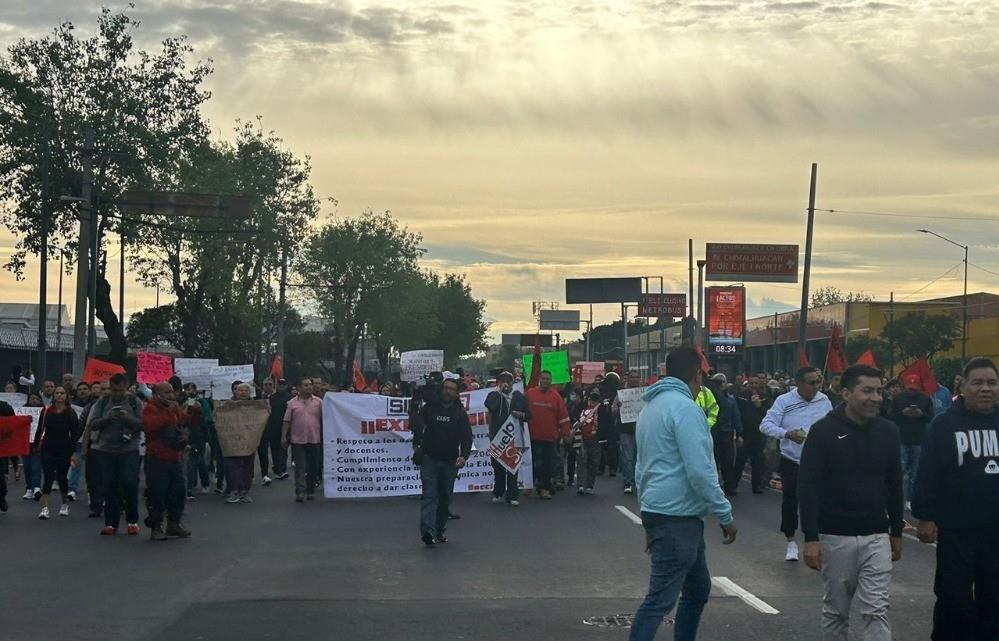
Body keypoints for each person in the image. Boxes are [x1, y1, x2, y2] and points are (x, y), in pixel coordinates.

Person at [630, 347, 737, 641]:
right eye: (702, 374)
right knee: (659, 602)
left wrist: (646, 513)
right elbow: (701, 471)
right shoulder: (687, 409)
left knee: (698, 589)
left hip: (664, 511)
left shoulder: (651, 407)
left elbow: (642, 468)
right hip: (677, 516)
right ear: (696, 374)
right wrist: (724, 514)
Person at [799, 365, 904, 641]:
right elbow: (808, 487)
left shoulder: (889, 431)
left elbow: (895, 484)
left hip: (877, 536)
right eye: (867, 391)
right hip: (835, 537)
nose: (876, 398)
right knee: (836, 612)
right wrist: (811, 537)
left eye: (879, 391)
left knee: (876, 609)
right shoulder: (822, 431)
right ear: (846, 393)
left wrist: (896, 532)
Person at [912, 357, 999, 641]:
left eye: (992, 383)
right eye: (978, 383)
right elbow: (928, 472)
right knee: (954, 598)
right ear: (963, 386)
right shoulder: (945, 424)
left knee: (994, 600)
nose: (986, 388)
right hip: (957, 530)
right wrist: (925, 516)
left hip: (996, 531)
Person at [760, 366, 833, 562]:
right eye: (811, 383)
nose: (816, 387)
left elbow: (832, 425)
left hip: (818, 460)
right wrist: (786, 434)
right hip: (792, 459)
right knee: (791, 500)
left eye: (818, 382)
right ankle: (791, 541)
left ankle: (815, 539)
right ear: (799, 384)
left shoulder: (824, 400)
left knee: (819, 501)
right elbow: (765, 425)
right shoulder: (784, 401)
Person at [411, 374, 472, 546]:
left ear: (456, 393)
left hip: (450, 462)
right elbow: (416, 426)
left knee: (445, 498)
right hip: (430, 459)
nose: (447, 391)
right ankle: (427, 532)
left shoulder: (459, 413)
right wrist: (414, 407)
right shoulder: (430, 408)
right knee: (430, 496)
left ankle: (439, 530)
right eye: (445, 388)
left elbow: (467, 437)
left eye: (451, 389)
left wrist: (464, 456)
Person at [81, 373, 144, 535]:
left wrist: (127, 417)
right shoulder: (102, 402)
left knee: (130, 483)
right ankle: (111, 523)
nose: (117, 394)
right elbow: (93, 424)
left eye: (120, 390)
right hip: (106, 449)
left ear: (126, 387)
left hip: (128, 448)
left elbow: (142, 424)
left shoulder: (134, 401)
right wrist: (108, 418)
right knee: (109, 485)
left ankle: (132, 520)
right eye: (114, 390)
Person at [142, 382, 192, 540]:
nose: (171, 396)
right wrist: (169, 413)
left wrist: (195, 410)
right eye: (167, 393)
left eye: (172, 392)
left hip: (174, 456)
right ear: (157, 395)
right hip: (157, 458)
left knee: (178, 492)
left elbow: (186, 420)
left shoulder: (175, 408)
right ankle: (156, 526)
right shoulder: (150, 408)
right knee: (157, 493)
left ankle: (174, 523)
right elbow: (151, 426)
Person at [889, 373, 934, 511]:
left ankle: (910, 499)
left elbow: (931, 418)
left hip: (918, 440)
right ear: (905, 386)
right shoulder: (898, 399)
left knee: (915, 472)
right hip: (902, 439)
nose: (912, 391)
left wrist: (921, 414)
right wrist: (903, 413)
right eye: (909, 388)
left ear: (919, 387)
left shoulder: (926, 399)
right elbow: (890, 417)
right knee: (900, 472)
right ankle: (897, 499)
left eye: (914, 388)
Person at [484, 371, 529, 506]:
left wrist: (521, 414)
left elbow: (529, 415)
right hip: (498, 437)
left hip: (514, 437)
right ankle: (498, 492)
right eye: (502, 381)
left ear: (512, 383)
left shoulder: (519, 397)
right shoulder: (493, 395)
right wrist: (500, 394)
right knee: (498, 467)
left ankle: (512, 496)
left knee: (512, 467)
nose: (506, 383)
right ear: (498, 383)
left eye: (508, 381)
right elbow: (491, 406)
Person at [34, 386, 80, 519]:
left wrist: (73, 452)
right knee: (48, 476)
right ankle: (45, 508)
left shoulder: (71, 413)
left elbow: (74, 435)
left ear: (66, 396)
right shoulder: (47, 410)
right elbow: (40, 429)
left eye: (62, 393)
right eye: (57, 393)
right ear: (54, 396)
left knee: (61, 477)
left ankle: (64, 504)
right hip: (48, 447)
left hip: (64, 448)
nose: (59, 395)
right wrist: (36, 445)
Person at [525, 371, 570, 500]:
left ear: (551, 381)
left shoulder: (556, 397)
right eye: (543, 378)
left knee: (547, 464)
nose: (545, 381)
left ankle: (544, 488)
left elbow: (563, 417)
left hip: (549, 438)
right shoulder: (529, 394)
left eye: (548, 379)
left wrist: (566, 433)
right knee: (531, 463)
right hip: (531, 437)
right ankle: (528, 485)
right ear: (539, 379)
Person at [281, 377, 323, 503]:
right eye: (306, 385)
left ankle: (310, 490)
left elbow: (325, 419)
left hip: (314, 439)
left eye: (310, 384)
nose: (309, 387)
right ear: (299, 388)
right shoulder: (292, 403)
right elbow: (287, 421)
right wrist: (283, 436)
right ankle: (300, 491)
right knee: (300, 467)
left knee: (313, 467)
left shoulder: (319, 402)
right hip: (298, 440)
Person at [708, 374, 743, 496]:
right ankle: (713, 487)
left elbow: (736, 416)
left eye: (722, 382)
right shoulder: (708, 398)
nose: (720, 385)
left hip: (726, 433)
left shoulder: (730, 399)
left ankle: (729, 486)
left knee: (728, 461)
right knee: (713, 461)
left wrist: (739, 434)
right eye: (717, 382)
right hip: (712, 432)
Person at [223, 383, 258, 504]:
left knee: (248, 467)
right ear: (235, 392)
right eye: (240, 390)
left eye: (246, 390)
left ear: (250, 393)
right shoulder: (227, 405)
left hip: (249, 441)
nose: (243, 392)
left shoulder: (256, 406)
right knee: (233, 466)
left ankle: (245, 491)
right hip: (233, 440)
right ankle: (234, 490)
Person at [735, 379, 771, 494]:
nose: (753, 386)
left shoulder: (765, 397)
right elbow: (737, 414)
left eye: (756, 383)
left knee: (758, 462)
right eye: (751, 383)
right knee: (740, 460)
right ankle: (732, 485)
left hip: (758, 435)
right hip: (745, 433)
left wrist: (759, 406)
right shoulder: (741, 396)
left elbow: (768, 415)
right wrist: (738, 433)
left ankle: (757, 486)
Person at [615, 370, 643, 494]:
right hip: (626, 429)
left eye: (636, 377)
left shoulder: (644, 394)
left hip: (641, 428)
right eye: (632, 377)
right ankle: (628, 482)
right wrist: (619, 407)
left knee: (639, 457)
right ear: (628, 379)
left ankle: (638, 480)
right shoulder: (621, 394)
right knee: (627, 457)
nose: (634, 379)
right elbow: (613, 411)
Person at [181, 383, 210, 498]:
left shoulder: (202, 403)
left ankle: (205, 482)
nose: (190, 391)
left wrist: (206, 438)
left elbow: (204, 422)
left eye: (192, 389)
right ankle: (189, 487)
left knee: (200, 462)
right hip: (188, 437)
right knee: (190, 463)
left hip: (198, 438)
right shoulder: (182, 403)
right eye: (187, 389)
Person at [572, 391, 602, 495]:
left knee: (593, 463)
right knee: (581, 461)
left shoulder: (601, 409)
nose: (592, 402)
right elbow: (574, 416)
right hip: (582, 437)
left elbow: (606, 422)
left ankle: (589, 485)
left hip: (596, 438)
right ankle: (580, 485)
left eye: (594, 400)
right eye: (591, 399)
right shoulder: (581, 406)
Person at [263, 378, 292, 483]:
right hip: (273, 427)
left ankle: (282, 470)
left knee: (284, 449)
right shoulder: (271, 398)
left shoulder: (290, 398)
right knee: (275, 450)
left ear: (286, 385)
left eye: (283, 384)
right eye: (280, 384)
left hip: (286, 427)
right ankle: (277, 469)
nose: (281, 386)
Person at [21, 392, 44, 501]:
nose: (34, 401)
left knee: (36, 466)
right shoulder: (22, 411)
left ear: (40, 400)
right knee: (26, 466)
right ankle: (29, 488)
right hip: (25, 443)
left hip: (38, 442)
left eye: (36, 399)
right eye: (32, 399)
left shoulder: (44, 411)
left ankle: (36, 488)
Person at [0, 396, 15, 513]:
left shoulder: (5, 408)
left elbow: (14, 425)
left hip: (1, 447)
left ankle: (1, 496)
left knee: (0, 477)